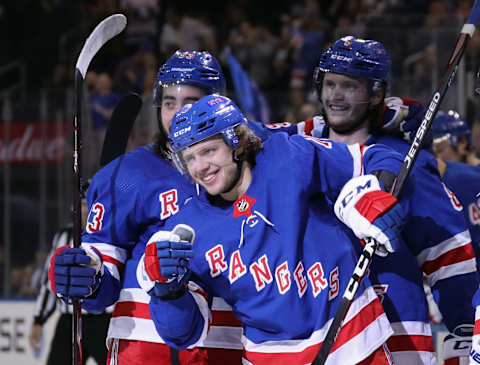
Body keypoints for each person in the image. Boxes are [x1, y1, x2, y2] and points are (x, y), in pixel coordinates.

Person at [140, 94, 412, 364]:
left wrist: (372, 194)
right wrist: (169, 293)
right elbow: (186, 335)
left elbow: (379, 157)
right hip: (271, 358)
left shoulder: (289, 156)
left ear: (236, 141)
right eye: (189, 158)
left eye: (208, 151)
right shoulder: (186, 230)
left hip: (355, 342)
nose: (200, 167)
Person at [49, 51, 244, 365]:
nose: (178, 113)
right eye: (169, 103)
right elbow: (104, 280)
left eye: (190, 102)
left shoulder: (249, 168)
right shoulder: (128, 175)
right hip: (143, 344)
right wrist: (87, 274)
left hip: (230, 344)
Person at [299, 35, 479, 364]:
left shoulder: (407, 163)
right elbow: (253, 138)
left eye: (350, 86)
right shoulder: (297, 151)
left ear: (376, 93)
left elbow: (449, 255)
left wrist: (466, 331)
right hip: (312, 331)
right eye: (330, 84)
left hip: (395, 333)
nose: (336, 95)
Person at [30, 187, 111, 365]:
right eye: (81, 204)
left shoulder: (112, 234)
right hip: (70, 322)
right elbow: (49, 281)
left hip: (104, 322)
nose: (84, 209)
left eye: (88, 204)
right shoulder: (64, 235)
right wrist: (39, 319)